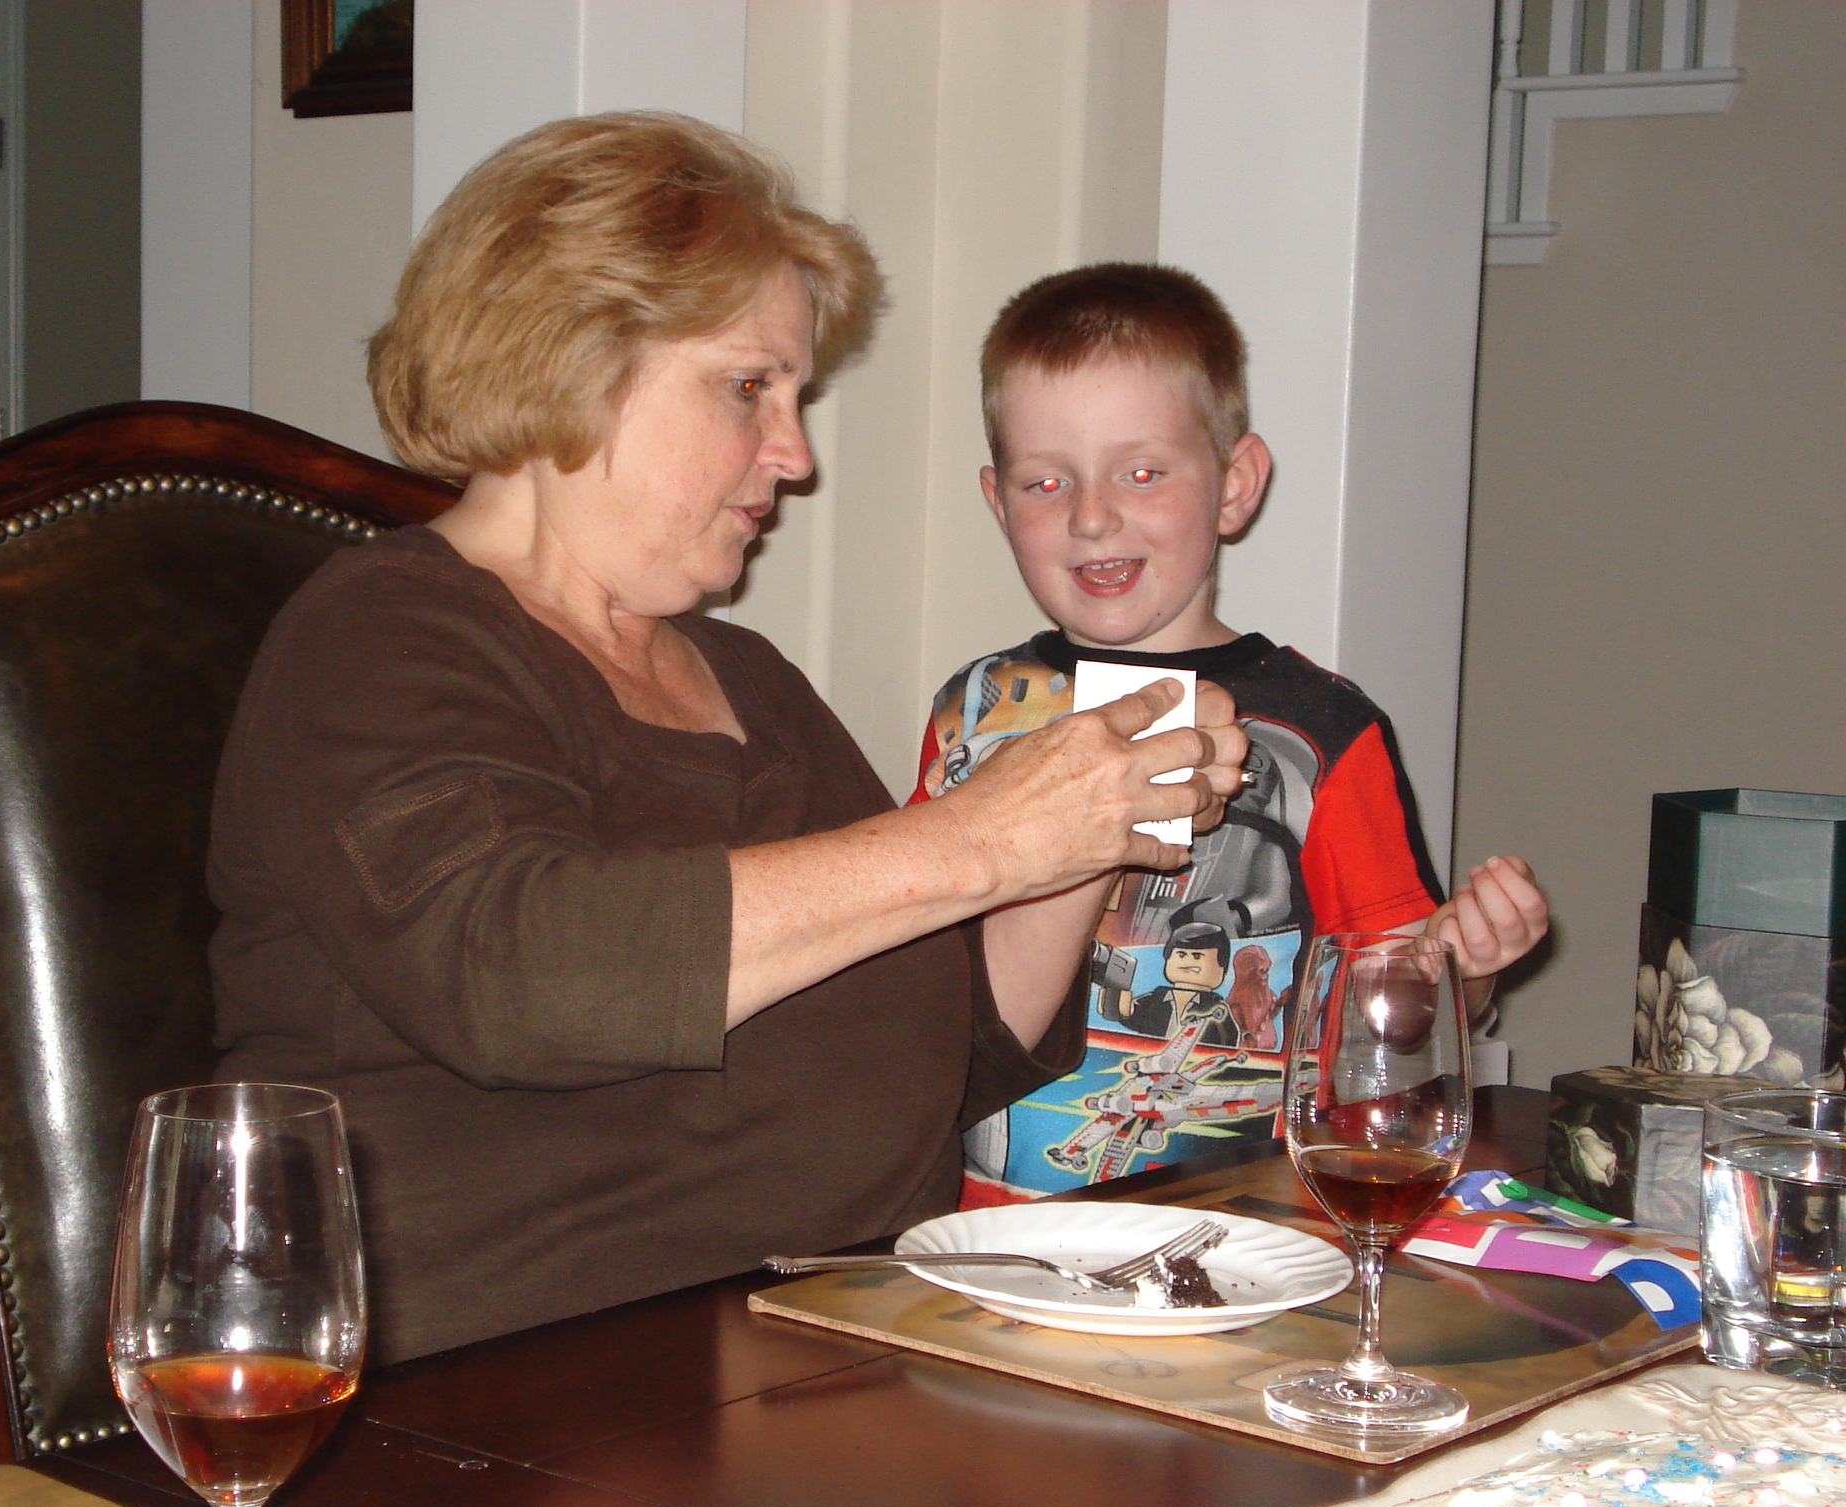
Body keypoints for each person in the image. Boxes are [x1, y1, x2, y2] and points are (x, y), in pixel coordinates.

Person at [206, 117, 1247, 1363]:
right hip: (520, 1383)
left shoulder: (746, 677)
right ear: (567, 356)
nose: (794, 457)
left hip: (838, 1343)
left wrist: (1088, 828)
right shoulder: (380, 638)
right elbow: (519, 976)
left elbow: (944, 1046)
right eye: (749, 387)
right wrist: (982, 838)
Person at [911, 263, 1549, 1206]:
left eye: (1142, 472)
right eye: (1045, 481)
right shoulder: (974, 709)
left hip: (1247, 1220)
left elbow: (1394, 1012)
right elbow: (915, 962)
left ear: (1235, 486)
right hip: (981, 1221)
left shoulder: (1325, 729)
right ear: (999, 503)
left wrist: (1470, 968)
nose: (1092, 515)